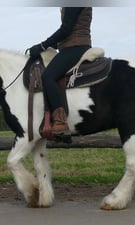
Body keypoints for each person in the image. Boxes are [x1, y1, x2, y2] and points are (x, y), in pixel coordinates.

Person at [27, 7, 92, 136]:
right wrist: (50, 45)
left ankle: (60, 120)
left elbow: (66, 29)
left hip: (76, 47)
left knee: (47, 77)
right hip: (74, 45)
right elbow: (70, 28)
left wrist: (42, 46)